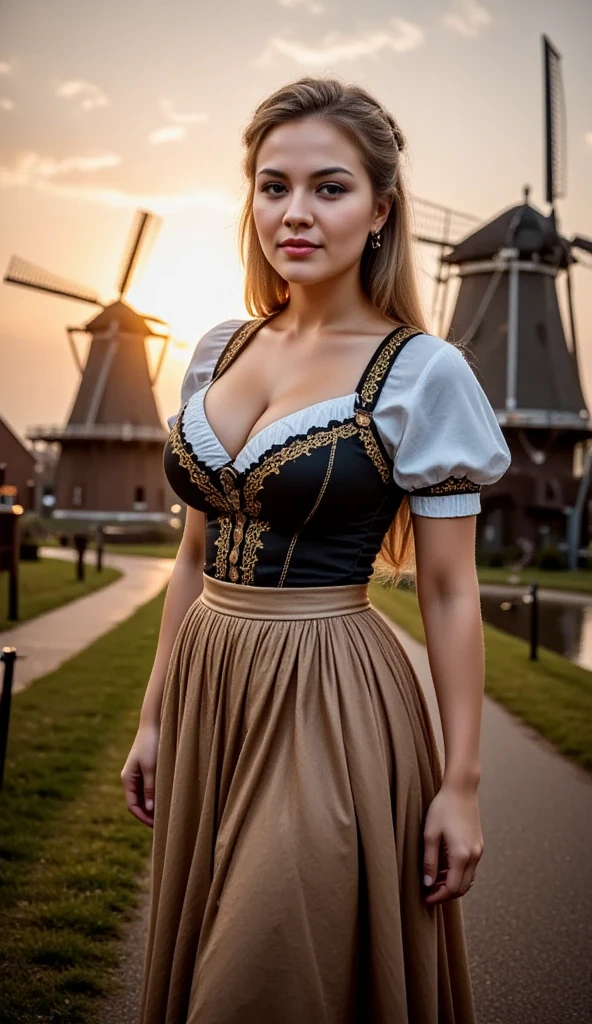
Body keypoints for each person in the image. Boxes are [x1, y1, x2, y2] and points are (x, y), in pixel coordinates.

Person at [122, 76, 511, 1023]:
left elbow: (453, 595)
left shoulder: (425, 371)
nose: (295, 212)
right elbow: (192, 555)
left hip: (328, 692)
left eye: (329, 187)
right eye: (272, 185)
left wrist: (460, 786)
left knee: (265, 974)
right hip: (212, 680)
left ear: (382, 210)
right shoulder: (218, 348)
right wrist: (155, 714)